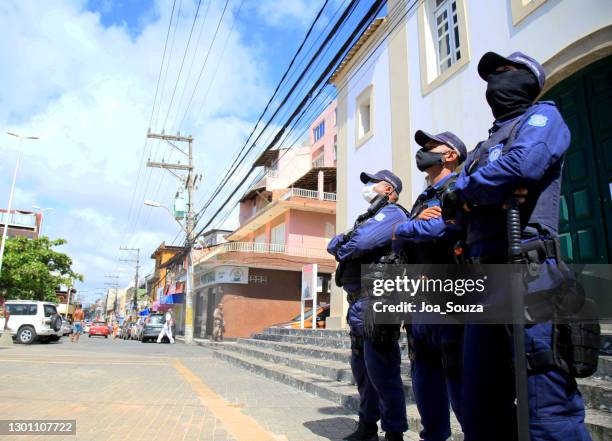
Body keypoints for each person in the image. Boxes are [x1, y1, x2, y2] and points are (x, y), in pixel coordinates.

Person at [449, 51, 591, 441]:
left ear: (529, 80)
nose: (496, 79)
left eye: (505, 72)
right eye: (491, 74)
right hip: (484, 281)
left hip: (531, 273)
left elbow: (523, 165)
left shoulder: (543, 118)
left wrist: (465, 190)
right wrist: (472, 193)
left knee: (548, 408)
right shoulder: (481, 148)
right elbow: (456, 214)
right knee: (480, 405)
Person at [394, 130, 467, 441]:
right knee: (424, 376)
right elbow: (397, 242)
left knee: (459, 376)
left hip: (449, 295)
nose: (423, 152)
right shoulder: (422, 199)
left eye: (430, 147)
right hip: (418, 300)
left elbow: (439, 230)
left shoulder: (458, 186)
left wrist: (406, 228)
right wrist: (407, 226)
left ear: (449, 155)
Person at [327, 169, 408, 441]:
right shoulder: (370, 218)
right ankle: (367, 428)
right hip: (360, 304)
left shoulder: (393, 214)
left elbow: (358, 242)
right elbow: (336, 242)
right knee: (363, 372)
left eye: (374, 183)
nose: (368, 187)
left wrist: (343, 246)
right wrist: (343, 244)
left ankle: (394, 433)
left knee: (382, 372)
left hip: (379, 302)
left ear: (388, 190)